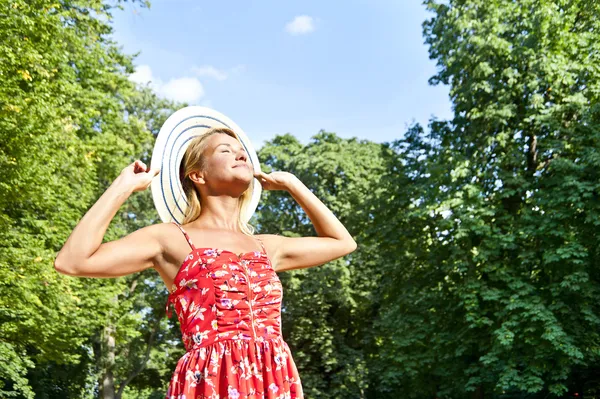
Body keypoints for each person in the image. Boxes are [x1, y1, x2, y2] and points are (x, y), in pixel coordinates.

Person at [54, 127, 357, 398]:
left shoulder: (266, 246)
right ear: (198, 175)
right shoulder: (170, 239)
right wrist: (122, 187)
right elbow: (73, 261)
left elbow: (342, 243)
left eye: (241, 150)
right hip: (211, 381)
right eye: (225, 150)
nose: (239, 153)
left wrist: (294, 186)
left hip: (274, 380)